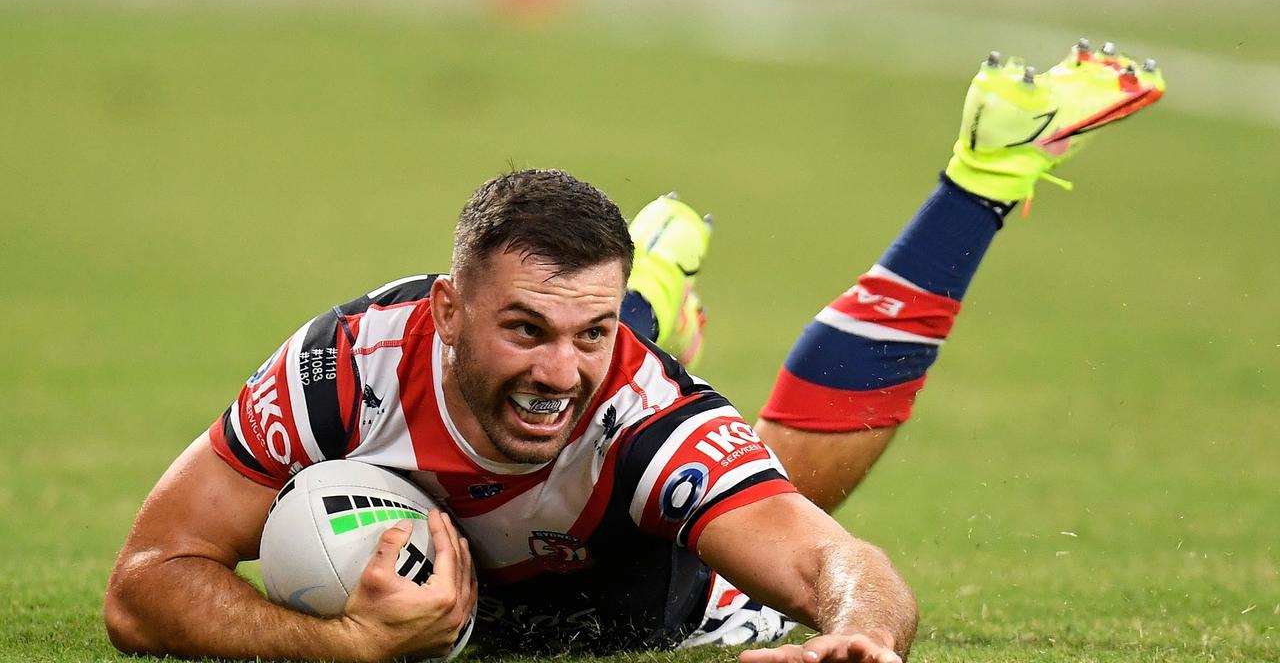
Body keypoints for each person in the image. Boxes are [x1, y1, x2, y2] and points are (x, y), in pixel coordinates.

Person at [103, 41, 1164, 663]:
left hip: (624, 591)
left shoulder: (646, 416)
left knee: (783, 476)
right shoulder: (345, 367)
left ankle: (974, 190)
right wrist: (342, 647)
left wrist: (855, 639)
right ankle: (644, 290)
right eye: (521, 322)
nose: (562, 362)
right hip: (540, 439)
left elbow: (831, 565)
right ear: (446, 310)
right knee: (549, 390)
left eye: (589, 330)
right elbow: (140, 585)